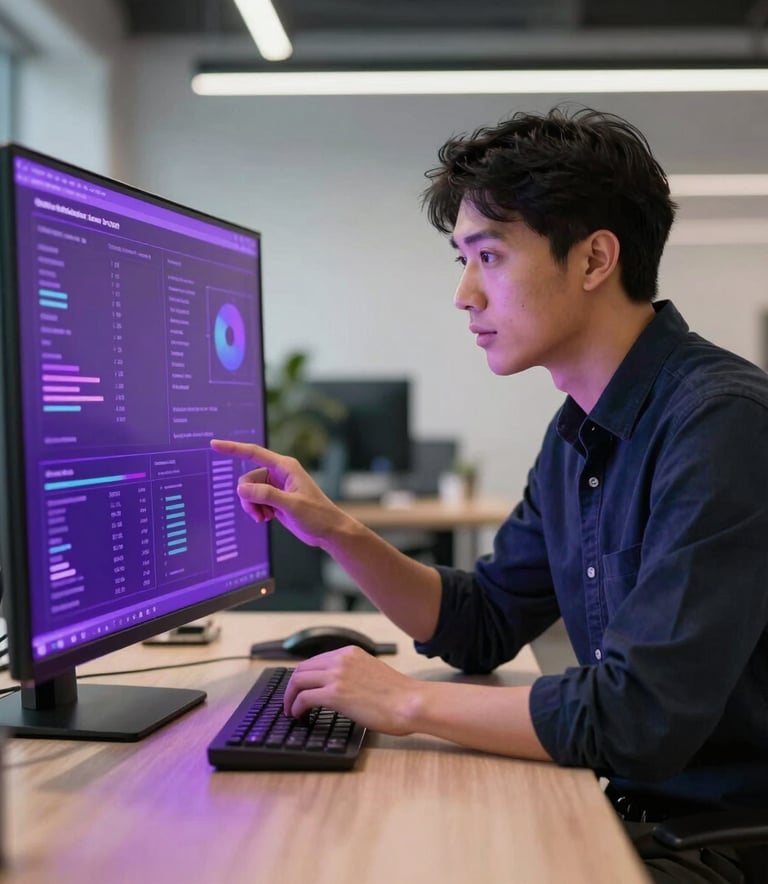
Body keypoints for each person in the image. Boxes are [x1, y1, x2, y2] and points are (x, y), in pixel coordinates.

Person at [212, 107, 768, 883]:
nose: (465, 294)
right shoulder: (578, 431)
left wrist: (406, 703)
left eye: (490, 256)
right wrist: (337, 529)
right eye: (460, 260)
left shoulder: (722, 425)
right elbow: (483, 622)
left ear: (594, 259)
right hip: (634, 816)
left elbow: (642, 718)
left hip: (720, 848)